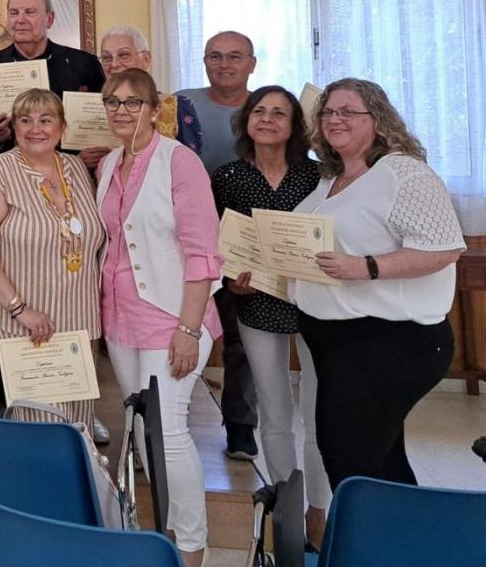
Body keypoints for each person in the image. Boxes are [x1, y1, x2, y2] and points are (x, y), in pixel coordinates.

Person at [292, 79, 465, 490]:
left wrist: (365, 267)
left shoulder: (404, 173)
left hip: (389, 341)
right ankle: (403, 542)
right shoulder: (330, 177)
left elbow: (443, 249)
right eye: (328, 112)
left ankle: (374, 545)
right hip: (338, 342)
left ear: (378, 118)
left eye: (348, 111)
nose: (335, 119)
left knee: (352, 460)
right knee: (376, 460)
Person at [96, 69, 222, 566]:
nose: (122, 110)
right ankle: (163, 535)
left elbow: (203, 254)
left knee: (168, 430)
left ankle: (192, 548)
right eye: (113, 102)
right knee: (143, 430)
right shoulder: (109, 163)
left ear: (154, 109)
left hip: (173, 316)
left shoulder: (179, 161)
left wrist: (188, 329)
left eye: (133, 102)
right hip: (122, 318)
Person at [210, 86, 329, 545]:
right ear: (246, 121)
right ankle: (285, 500)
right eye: (259, 111)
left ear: (294, 125)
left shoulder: (319, 177)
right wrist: (229, 278)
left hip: (316, 304)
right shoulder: (227, 177)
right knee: (275, 409)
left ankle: (318, 506)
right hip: (257, 302)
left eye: (279, 113)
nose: (267, 119)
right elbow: (218, 242)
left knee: (319, 413)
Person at [0, 89, 104, 430]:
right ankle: (39, 483)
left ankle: (74, 482)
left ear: (62, 127)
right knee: (40, 418)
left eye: (46, 120)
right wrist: (18, 308)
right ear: (13, 126)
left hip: (79, 315)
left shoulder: (75, 168)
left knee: (77, 418)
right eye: (24, 120)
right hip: (21, 318)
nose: (35, 128)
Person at [177, 30, 259, 460]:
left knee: (241, 336)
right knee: (178, 329)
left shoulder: (267, 106)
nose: (224, 64)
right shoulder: (180, 104)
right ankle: (172, 423)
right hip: (186, 237)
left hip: (246, 237)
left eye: (234, 56)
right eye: (214, 56)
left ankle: (241, 426)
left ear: (252, 63)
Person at [0, 0, 104, 156]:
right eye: (14, 13)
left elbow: (101, 125)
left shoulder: (83, 64)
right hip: (10, 173)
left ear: (49, 19)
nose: (20, 20)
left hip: (72, 171)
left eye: (30, 12)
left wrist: (82, 159)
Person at [76, 26, 200, 172]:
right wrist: (79, 162)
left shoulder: (175, 106)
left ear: (146, 59)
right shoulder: (85, 107)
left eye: (124, 55)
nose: (114, 64)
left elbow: (191, 166)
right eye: (106, 58)